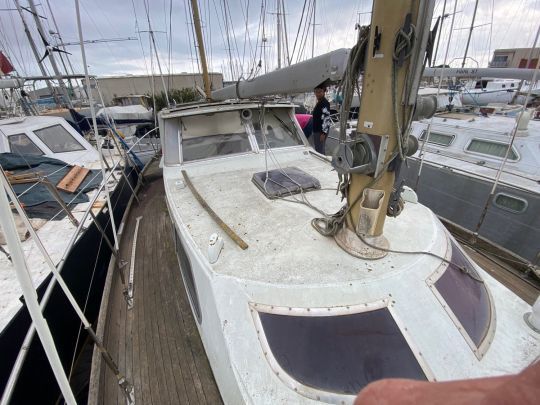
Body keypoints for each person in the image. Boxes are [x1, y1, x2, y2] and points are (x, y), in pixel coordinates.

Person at [311, 84, 331, 154]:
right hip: (317, 130)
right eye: (316, 92)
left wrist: (323, 133)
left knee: (319, 151)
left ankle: (322, 163)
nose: (318, 94)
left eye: (320, 92)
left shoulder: (324, 103)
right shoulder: (320, 102)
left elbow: (326, 118)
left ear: (324, 92)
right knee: (320, 149)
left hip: (320, 131)